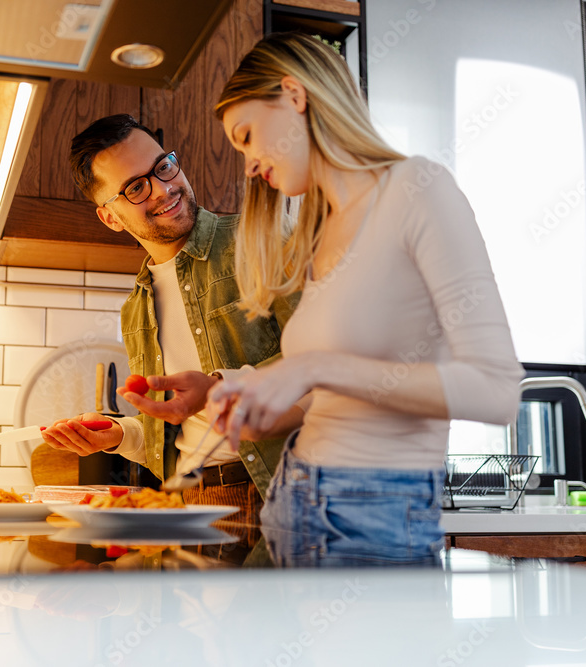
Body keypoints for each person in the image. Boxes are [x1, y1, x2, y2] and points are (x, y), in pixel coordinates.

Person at [206, 33, 525, 567]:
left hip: (372, 515)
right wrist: (273, 409)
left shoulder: (416, 188)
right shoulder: (321, 234)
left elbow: (496, 391)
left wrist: (312, 365)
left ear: (294, 95)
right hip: (295, 504)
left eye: (247, 136)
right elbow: (341, 392)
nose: (249, 166)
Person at [41, 114, 302, 529]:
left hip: (282, 494)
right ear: (110, 217)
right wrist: (119, 436)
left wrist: (219, 387)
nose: (164, 189)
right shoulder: (136, 309)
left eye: (163, 167)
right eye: (136, 187)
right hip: (190, 505)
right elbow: (170, 436)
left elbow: (326, 367)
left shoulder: (262, 240)